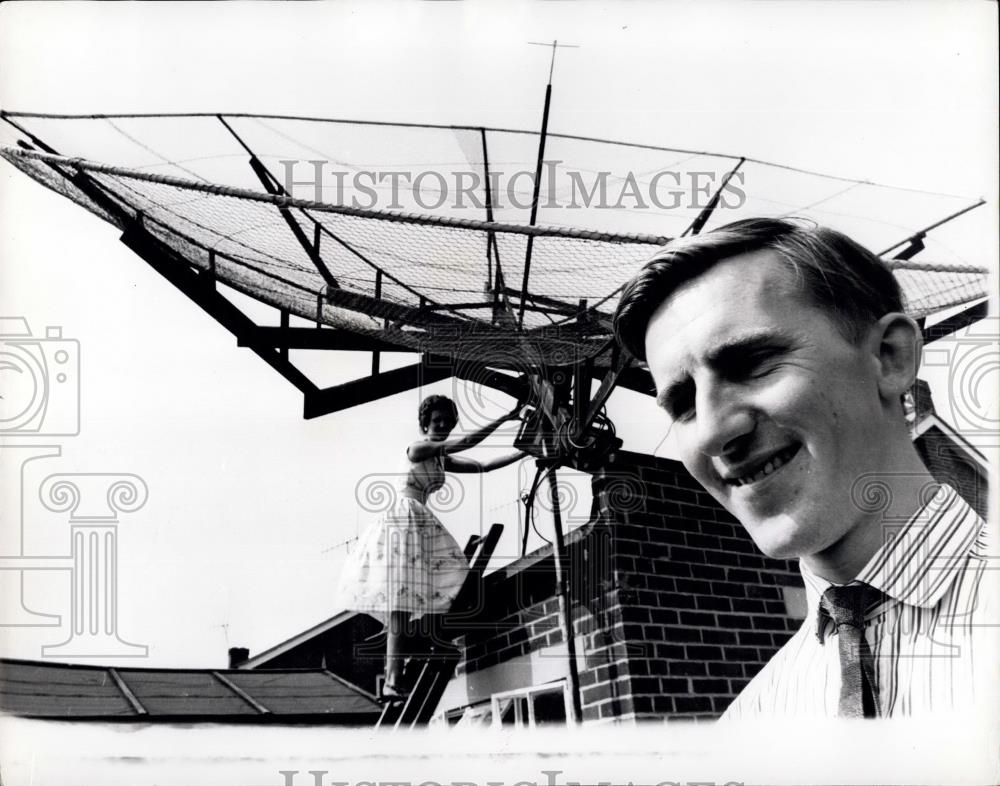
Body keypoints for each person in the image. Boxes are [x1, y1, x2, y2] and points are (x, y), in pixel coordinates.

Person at [612, 217, 993, 719]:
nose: (710, 432)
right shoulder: (749, 729)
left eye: (751, 363)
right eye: (682, 404)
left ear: (890, 357)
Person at [337, 394, 527, 701]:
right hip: (403, 519)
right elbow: (466, 444)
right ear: (425, 424)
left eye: (447, 422)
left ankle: (414, 657)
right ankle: (392, 680)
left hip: (419, 520)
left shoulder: (440, 457)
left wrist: (524, 452)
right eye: (437, 421)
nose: (442, 426)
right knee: (402, 602)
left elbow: (484, 466)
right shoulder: (418, 448)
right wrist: (504, 418)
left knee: (433, 586)